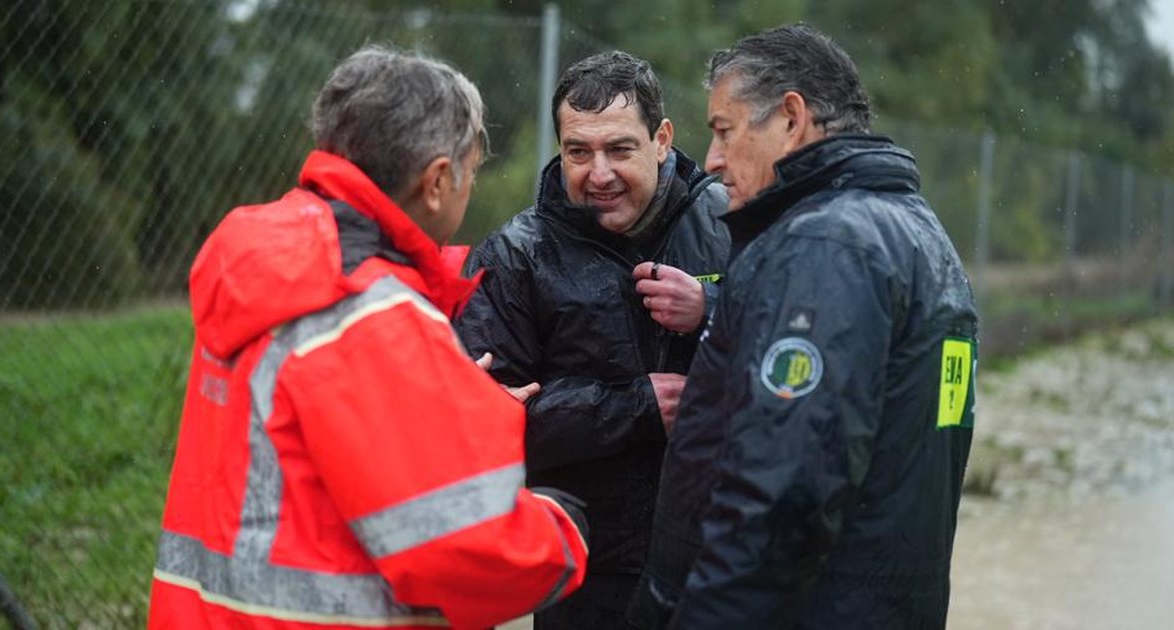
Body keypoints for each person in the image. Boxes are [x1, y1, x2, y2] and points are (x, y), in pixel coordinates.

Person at [148, 45, 589, 630]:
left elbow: (300, 466)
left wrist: (447, 416)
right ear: (436, 181)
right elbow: (467, 553)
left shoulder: (275, 271)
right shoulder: (371, 315)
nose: (469, 189)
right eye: (472, 171)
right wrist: (561, 529)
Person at [627, 24, 979, 629]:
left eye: (724, 131)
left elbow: (781, 498)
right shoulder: (921, 234)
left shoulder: (825, 245)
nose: (711, 160)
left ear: (791, 119)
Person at [454, 51, 730, 628]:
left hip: (723, 561)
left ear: (661, 139)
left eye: (619, 149)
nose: (598, 173)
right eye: (578, 151)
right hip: (586, 571)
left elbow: (799, 344)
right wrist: (635, 406)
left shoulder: (734, 222)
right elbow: (483, 423)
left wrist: (714, 309)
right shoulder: (516, 257)